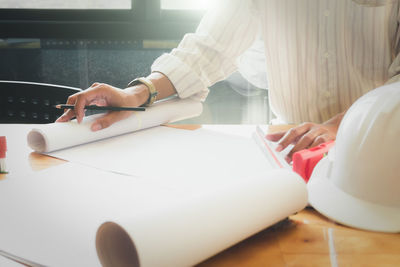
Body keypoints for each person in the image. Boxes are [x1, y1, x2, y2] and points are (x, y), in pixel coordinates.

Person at [56, 0, 400, 161]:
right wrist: (137, 93)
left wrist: (344, 126)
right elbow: (209, 48)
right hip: (290, 147)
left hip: (380, 145)